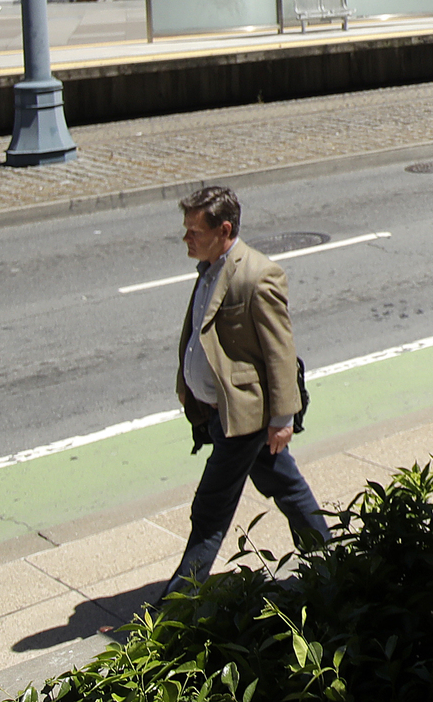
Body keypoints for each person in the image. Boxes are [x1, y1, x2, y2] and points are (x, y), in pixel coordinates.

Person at [169, 184, 329, 589]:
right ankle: (329, 556)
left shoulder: (258, 275)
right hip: (221, 411)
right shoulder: (208, 269)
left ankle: (176, 605)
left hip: (246, 417)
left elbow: (280, 352)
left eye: (195, 231)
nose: (186, 238)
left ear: (224, 230)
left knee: (210, 511)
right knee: (283, 483)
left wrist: (282, 418)